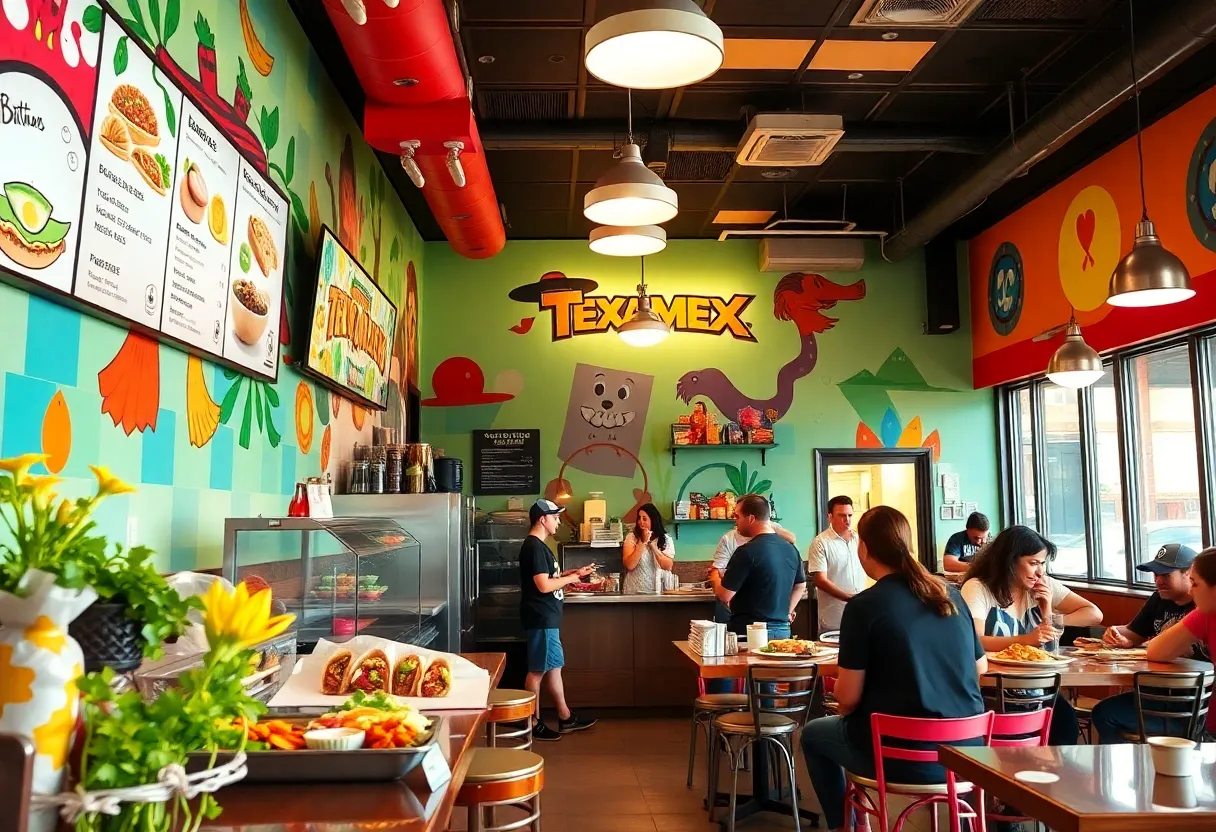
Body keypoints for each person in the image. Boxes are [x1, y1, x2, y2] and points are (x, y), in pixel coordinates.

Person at [800, 506, 987, 832]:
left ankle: (847, 826)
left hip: (899, 755)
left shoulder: (863, 606)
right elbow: (980, 667)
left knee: (813, 735)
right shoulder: (952, 596)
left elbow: (847, 700)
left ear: (866, 548)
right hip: (965, 753)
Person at [960, 525, 1101, 745]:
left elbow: (1094, 614)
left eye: (1043, 564)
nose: (1040, 572)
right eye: (1033, 563)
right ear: (1009, 561)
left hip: (1039, 686)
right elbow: (974, 639)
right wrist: (1026, 640)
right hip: (995, 690)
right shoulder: (978, 587)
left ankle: (1050, 778)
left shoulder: (1043, 586)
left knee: (1065, 726)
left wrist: (1049, 614)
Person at [1091, 544, 1207, 743]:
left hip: (1189, 704)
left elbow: (1154, 649)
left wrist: (1150, 646)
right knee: (1104, 710)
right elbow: (1134, 633)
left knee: (1105, 713)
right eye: (1155, 575)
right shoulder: (1160, 598)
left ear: (1189, 574)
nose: (1158, 581)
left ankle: (1135, 766)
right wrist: (1114, 633)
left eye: (1166, 575)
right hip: (1157, 693)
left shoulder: (1203, 608)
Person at [519, 498, 598, 741]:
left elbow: (547, 576)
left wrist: (572, 574)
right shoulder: (533, 546)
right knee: (537, 671)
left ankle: (565, 717)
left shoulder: (540, 546)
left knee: (553, 667)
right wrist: (569, 581)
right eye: (555, 517)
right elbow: (543, 585)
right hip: (541, 618)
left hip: (547, 618)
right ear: (543, 519)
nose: (558, 521)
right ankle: (531, 722)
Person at [714, 494, 805, 641]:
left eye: (737, 516)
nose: (735, 522)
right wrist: (787, 612)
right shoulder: (791, 549)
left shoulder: (746, 551)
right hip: (782, 631)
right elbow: (801, 585)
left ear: (750, 518)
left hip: (751, 632)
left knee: (752, 665)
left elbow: (725, 596)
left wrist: (715, 579)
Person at [807, 496, 865, 632]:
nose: (847, 520)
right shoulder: (820, 542)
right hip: (833, 619)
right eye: (842, 516)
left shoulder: (859, 539)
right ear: (830, 516)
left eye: (850, 515)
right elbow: (820, 580)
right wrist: (849, 598)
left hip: (860, 615)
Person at [621, 503, 675, 594]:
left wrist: (653, 547)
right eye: (639, 518)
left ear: (653, 520)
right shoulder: (631, 537)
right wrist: (642, 542)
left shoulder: (665, 539)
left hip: (658, 591)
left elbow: (668, 566)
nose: (641, 522)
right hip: (634, 591)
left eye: (644, 519)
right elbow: (629, 565)